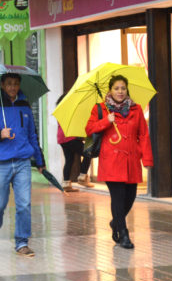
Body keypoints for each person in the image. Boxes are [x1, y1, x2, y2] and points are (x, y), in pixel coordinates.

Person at [0, 73, 46, 257]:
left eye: (16, 84)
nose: (13, 87)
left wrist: (39, 160)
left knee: (24, 204)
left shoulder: (25, 105)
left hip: (22, 161)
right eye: (9, 84)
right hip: (0, 163)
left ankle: (22, 243)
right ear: (2, 85)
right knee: (0, 203)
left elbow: (32, 135)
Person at [85, 75, 153, 250]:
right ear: (110, 90)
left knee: (130, 197)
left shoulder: (136, 110)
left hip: (131, 159)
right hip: (112, 160)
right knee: (118, 197)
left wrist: (147, 158)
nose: (120, 92)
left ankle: (115, 222)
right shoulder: (100, 109)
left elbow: (143, 135)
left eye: (123, 88)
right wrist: (105, 121)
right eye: (116, 88)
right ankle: (123, 233)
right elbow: (89, 129)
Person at [56, 94, 94, 192]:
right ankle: (82, 177)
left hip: (62, 138)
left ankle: (66, 184)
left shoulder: (60, 110)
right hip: (70, 137)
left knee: (69, 160)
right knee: (88, 152)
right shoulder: (69, 110)